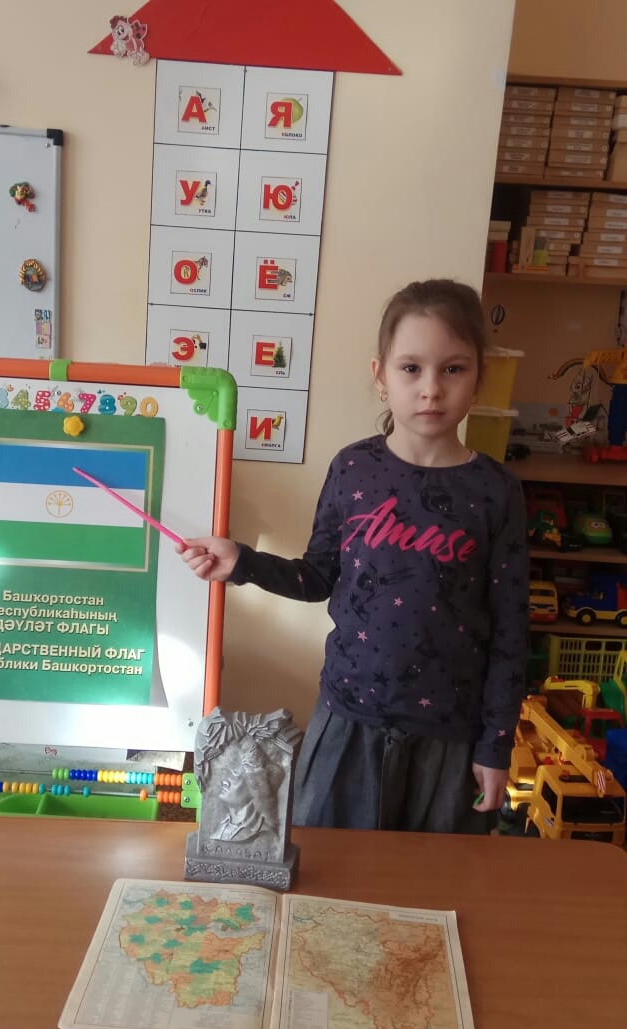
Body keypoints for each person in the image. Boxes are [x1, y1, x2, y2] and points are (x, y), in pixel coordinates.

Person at [177, 279, 529, 835]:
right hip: (348, 724)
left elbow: (511, 630)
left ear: (478, 376)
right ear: (381, 376)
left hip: (450, 739)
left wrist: (496, 744)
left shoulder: (496, 491)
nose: (431, 389)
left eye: (453, 369)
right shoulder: (353, 469)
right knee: (332, 874)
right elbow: (316, 576)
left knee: (434, 881)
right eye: (411, 368)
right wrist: (242, 562)